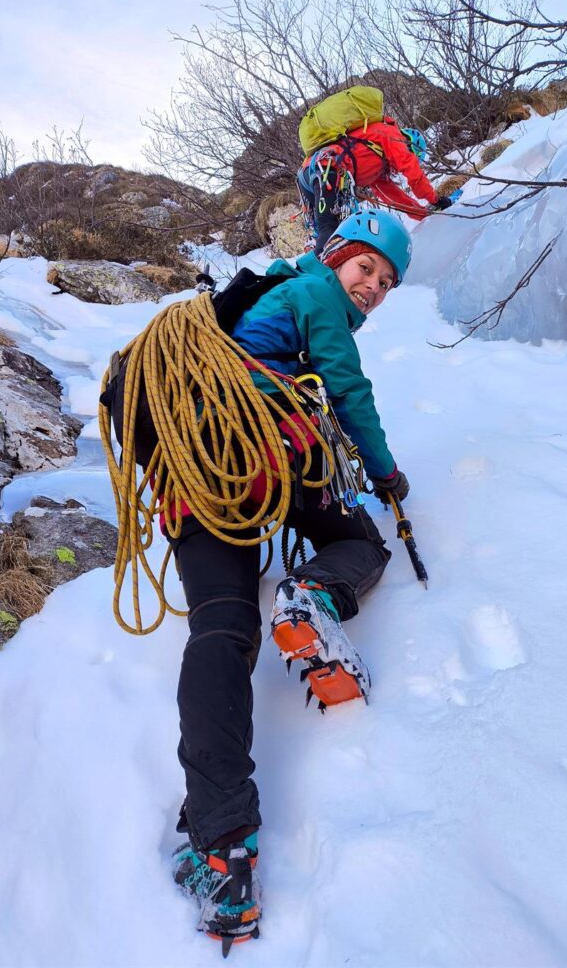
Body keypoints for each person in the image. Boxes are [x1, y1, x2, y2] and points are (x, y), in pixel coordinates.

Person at [169, 209, 413, 951]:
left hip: (199, 465)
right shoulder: (316, 298)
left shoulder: (277, 291)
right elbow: (348, 390)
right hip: (272, 443)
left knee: (221, 628)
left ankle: (223, 852)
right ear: (335, 257)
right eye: (366, 268)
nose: (371, 287)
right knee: (356, 540)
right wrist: (385, 472)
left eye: (386, 280)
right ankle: (311, 596)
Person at [297, 120, 456, 252]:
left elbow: (395, 199)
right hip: (325, 169)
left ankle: (313, 263)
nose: (395, 169)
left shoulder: (376, 166)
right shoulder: (392, 135)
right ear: (410, 146)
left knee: (332, 234)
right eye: (413, 156)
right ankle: (313, 277)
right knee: (329, 231)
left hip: (313, 174)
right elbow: (414, 174)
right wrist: (436, 200)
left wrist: (424, 214)